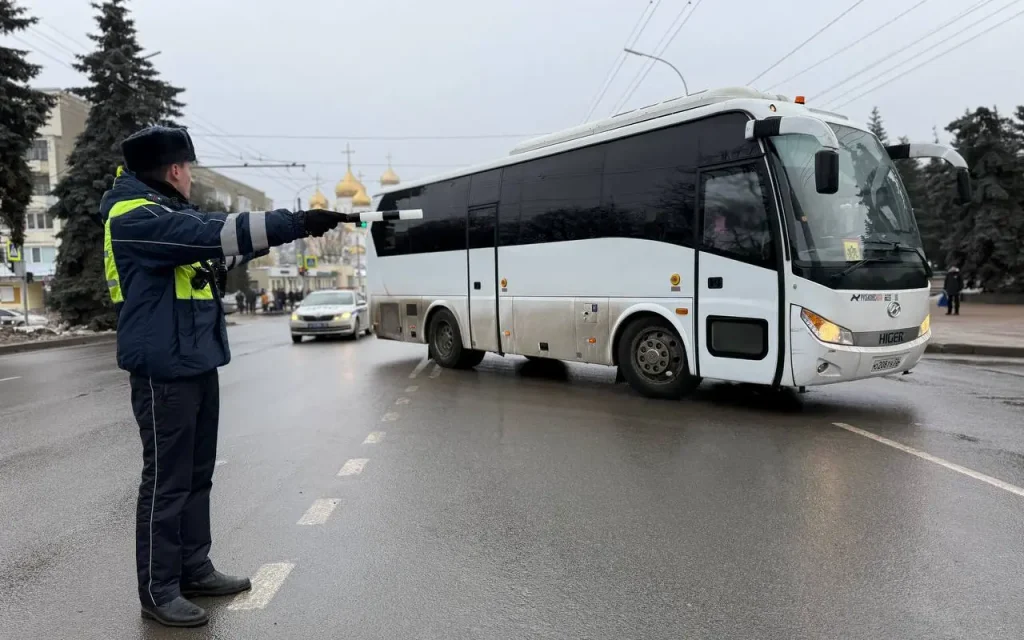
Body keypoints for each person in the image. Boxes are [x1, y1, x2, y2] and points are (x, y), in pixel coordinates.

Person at [101, 125, 344, 627]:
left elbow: (221, 247)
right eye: (188, 167)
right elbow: (207, 235)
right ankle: (158, 588)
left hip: (195, 358)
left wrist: (296, 230)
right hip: (163, 367)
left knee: (196, 475)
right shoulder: (134, 216)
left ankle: (193, 568)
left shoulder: (168, 215)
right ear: (174, 170)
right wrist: (293, 221)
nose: (190, 176)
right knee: (166, 481)